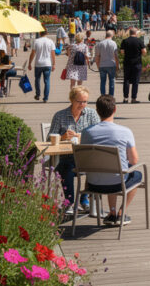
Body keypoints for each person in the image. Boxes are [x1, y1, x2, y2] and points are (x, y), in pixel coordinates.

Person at [80, 95, 143, 227]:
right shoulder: (125, 132)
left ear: (97, 111)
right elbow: (134, 159)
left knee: (112, 170)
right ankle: (121, 213)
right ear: (115, 109)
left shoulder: (86, 132)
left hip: (93, 184)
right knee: (136, 174)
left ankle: (112, 213)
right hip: (117, 184)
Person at [50, 86, 101, 216]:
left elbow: (98, 134)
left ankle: (85, 198)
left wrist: (80, 136)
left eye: (85, 101)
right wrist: (62, 137)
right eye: (80, 102)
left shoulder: (91, 114)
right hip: (67, 155)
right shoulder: (60, 115)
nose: (82, 105)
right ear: (72, 100)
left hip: (87, 155)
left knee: (97, 165)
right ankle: (70, 202)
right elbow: (49, 138)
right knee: (65, 167)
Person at [27, 29, 56, 102]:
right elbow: (53, 54)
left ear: (40, 33)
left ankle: (38, 94)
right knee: (47, 81)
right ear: (47, 33)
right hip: (47, 64)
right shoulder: (50, 41)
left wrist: (30, 63)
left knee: (37, 79)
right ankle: (45, 98)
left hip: (38, 64)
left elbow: (33, 53)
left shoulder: (36, 41)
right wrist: (54, 64)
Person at [120, 28, 146, 104]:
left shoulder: (125, 41)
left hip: (127, 62)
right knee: (135, 81)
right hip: (137, 63)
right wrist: (140, 54)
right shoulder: (139, 41)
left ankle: (125, 98)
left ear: (129, 33)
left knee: (126, 80)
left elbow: (122, 52)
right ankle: (133, 98)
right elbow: (144, 51)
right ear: (136, 33)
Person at [94, 30, 119, 97]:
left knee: (102, 81)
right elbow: (116, 55)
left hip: (102, 64)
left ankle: (102, 95)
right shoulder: (113, 43)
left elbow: (97, 56)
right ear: (112, 36)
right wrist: (117, 65)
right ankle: (111, 96)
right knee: (111, 81)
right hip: (111, 64)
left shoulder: (100, 44)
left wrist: (98, 65)